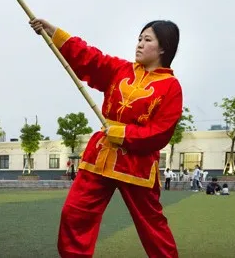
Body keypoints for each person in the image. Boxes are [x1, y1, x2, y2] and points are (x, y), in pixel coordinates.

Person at [29, 18, 182, 258]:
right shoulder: (120, 70)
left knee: (152, 226)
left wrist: (122, 133)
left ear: (164, 48)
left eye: (147, 40)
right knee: (74, 213)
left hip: (137, 167)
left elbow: (160, 132)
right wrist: (54, 33)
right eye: (139, 39)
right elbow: (90, 58)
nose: (139, 44)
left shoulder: (171, 87)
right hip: (100, 157)